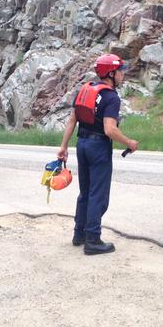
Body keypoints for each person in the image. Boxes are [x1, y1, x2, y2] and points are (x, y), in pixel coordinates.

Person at [57, 54, 139, 255]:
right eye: (120, 71)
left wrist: (63, 146)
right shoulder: (111, 97)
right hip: (98, 147)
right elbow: (110, 129)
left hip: (82, 145)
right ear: (111, 74)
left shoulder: (85, 90)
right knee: (98, 195)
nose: (122, 75)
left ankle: (79, 234)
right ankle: (93, 239)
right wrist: (129, 142)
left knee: (85, 192)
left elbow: (71, 121)